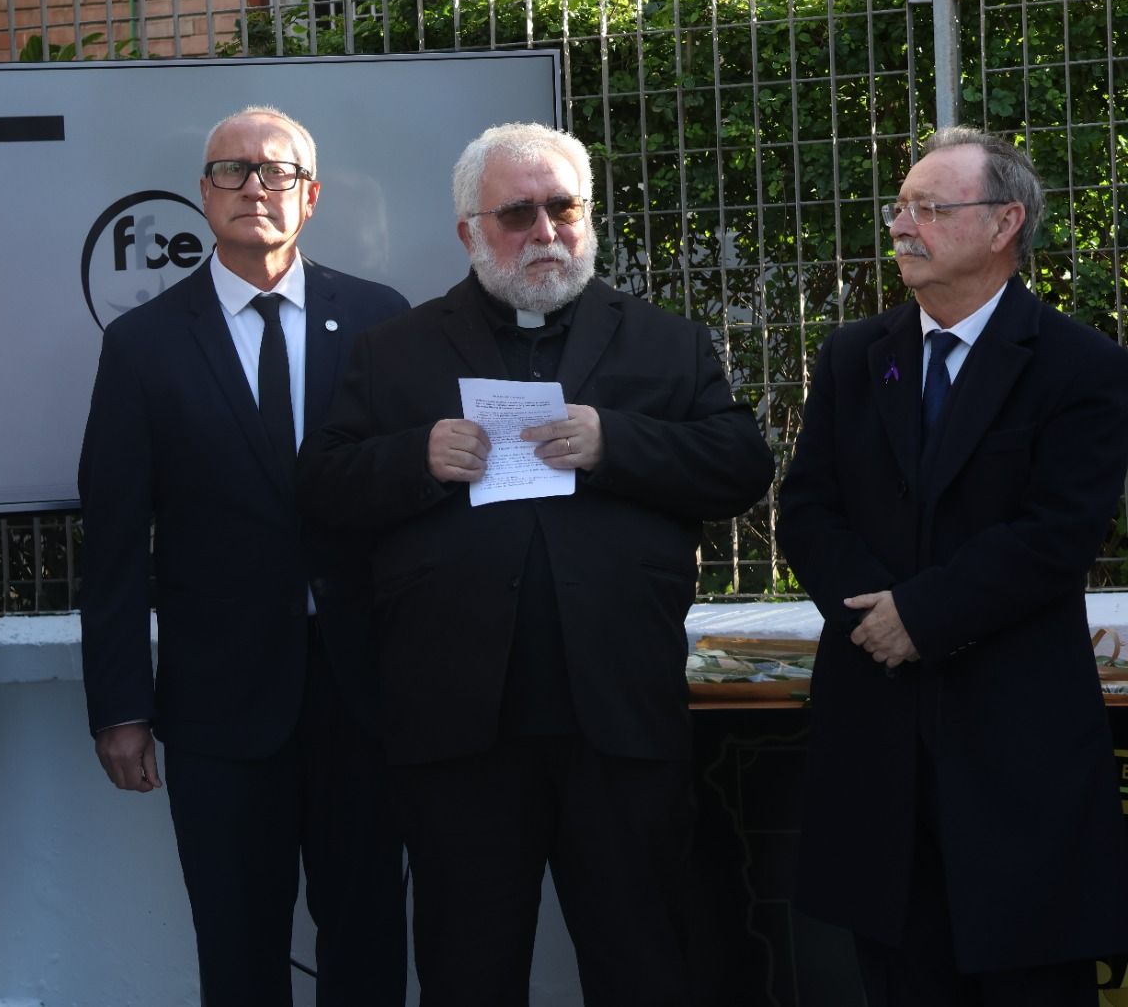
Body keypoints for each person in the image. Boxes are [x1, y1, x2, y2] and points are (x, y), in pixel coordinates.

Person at [296, 121, 774, 1006]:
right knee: (468, 969)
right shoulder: (397, 350)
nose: (546, 232)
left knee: (645, 964)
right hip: (460, 728)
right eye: (518, 213)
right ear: (470, 232)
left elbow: (743, 464)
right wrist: (415, 458)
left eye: (564, 208)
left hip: (620, 717)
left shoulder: (663, 343)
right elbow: (320, 487)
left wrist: (614, 442)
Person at [778, 126, 1128, 1005]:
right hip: (877, 739)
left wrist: (923, 617)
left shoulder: (1080, 365)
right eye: (901, 206)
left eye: (930, 208)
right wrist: (875, 617)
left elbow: (1059, 532)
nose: (902, 225)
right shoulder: (856, 356)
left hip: (1013, 747)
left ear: (1006, 222)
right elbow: (807, 509)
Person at [78, 106, 409, 1005]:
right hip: (219, 703)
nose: (252, 187)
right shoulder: (143, 344)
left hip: (364, 694)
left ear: (311, 196)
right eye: (231, 171)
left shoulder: (380, 322)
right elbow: (111, 538)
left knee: (371, 934)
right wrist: (119, 706)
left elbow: (414, 510)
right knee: (236, 945)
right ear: (202, 195)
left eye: (274, 172)